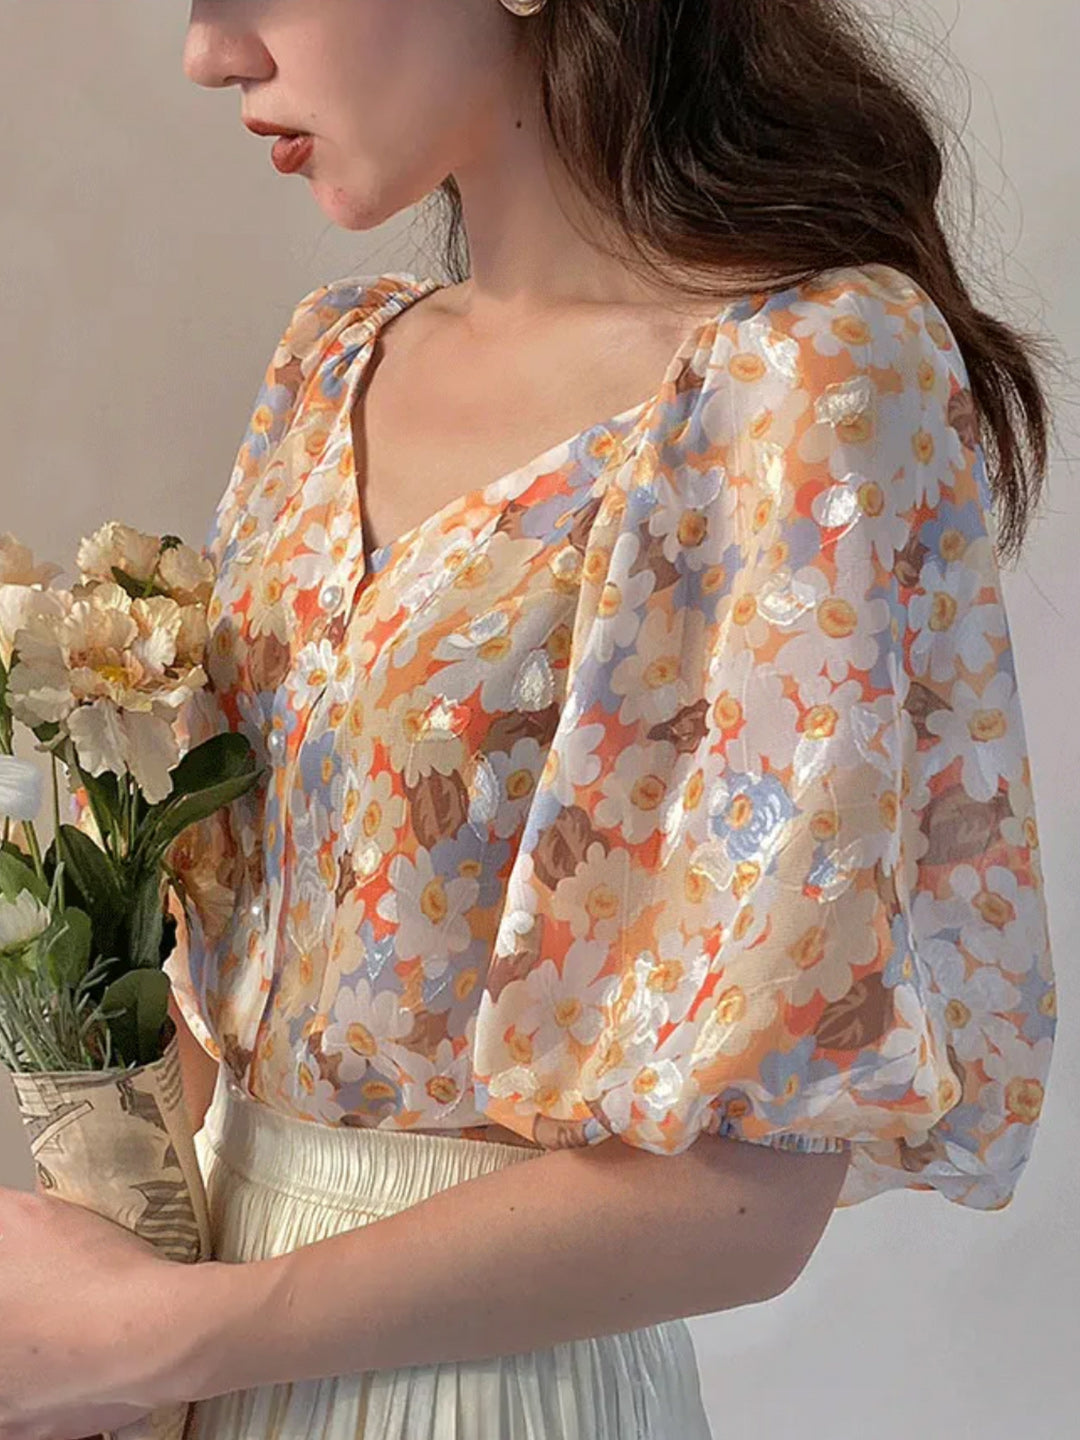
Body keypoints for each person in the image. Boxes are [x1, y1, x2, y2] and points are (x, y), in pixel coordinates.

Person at [4, 2, 1059, 1438]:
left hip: (489, 1390)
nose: (212, 50)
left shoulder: (802, 376)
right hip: (199, 1374)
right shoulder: (331, 362)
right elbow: (224, 989)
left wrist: (168, 1337)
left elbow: (749, 1194)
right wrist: (107, 1308)